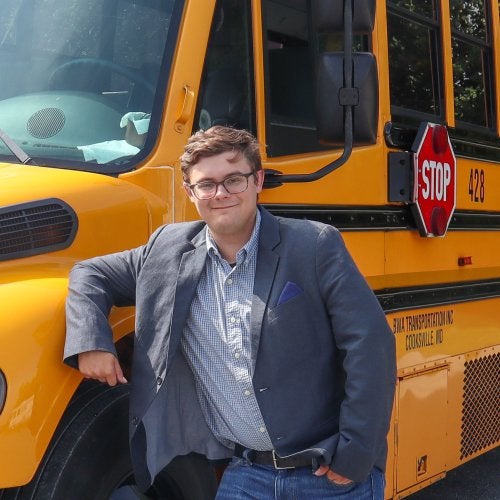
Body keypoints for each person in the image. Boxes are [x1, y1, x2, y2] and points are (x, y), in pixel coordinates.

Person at [64, 126, 396, 499]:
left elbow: (371, 349)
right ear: (190, 193)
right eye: (206, 185)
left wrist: (355, 454)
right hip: (245, 474)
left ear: (257, 181)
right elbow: (89, 273)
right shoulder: (168, 250)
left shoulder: (313, 246)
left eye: (233, 180)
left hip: (324, 473)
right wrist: (92, 342)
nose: (220, 194)